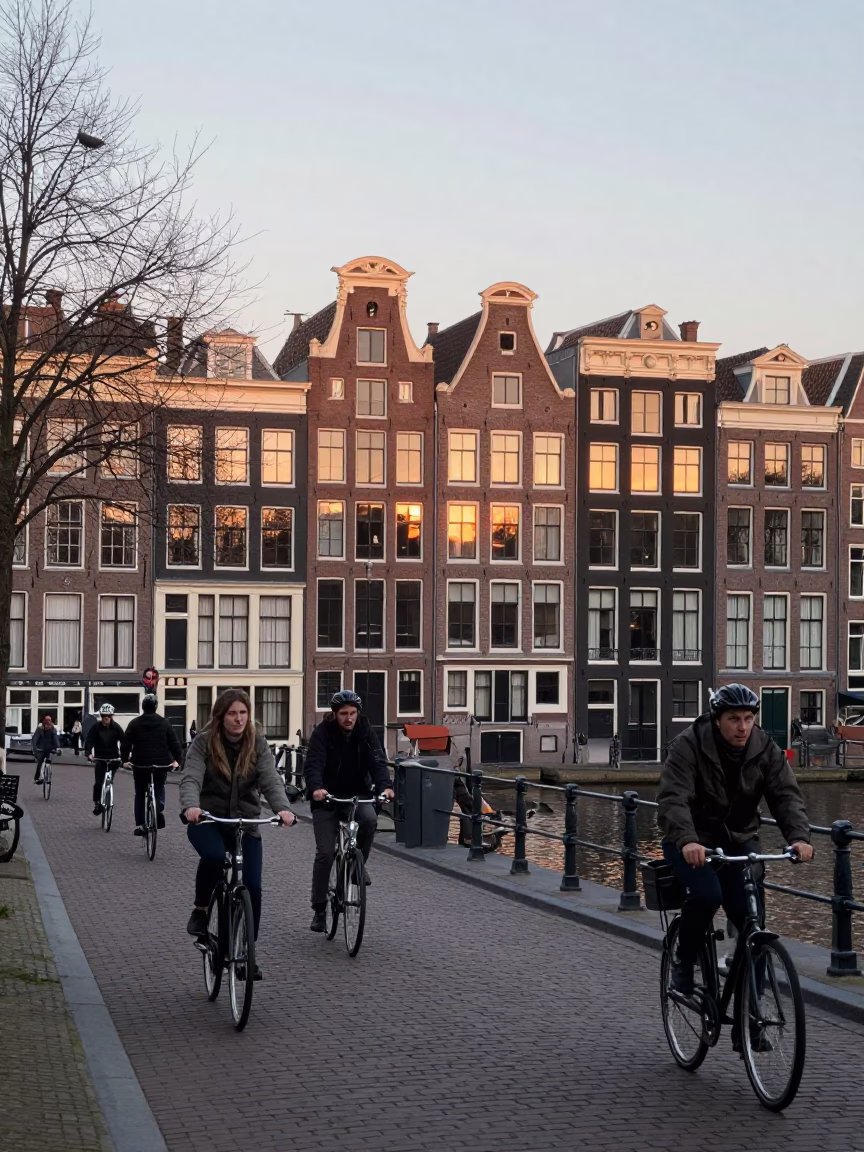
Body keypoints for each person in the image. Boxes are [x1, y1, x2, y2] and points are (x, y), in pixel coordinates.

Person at [657, 683, 814, 1001]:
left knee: (751, 921)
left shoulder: (764, 748)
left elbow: (785, 795)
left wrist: (798, 836)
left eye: (748, 718)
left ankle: (752, 1018)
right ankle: (682, 964)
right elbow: (674, 799)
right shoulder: (688, 745)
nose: (742, 727)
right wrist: (687, 840)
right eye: (733, 719)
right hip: (691, 841)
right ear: (717, 719)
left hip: (740, 839)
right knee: (706, 894)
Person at [180, 689, 296, 978]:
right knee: (215, 856)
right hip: (207, 820)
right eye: (232, 713)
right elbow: (191, 776)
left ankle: (246, 951)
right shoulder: (203, 742)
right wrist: (191, 807)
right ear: (221, 715)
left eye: (243, 713)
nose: (239, 718)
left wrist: (283, 809)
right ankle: (202, 910)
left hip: (245, 824)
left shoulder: (257, 744)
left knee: (253, 887)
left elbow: (270, 779)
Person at [304, 690, 394, 933]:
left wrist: (385, 786)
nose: (349, 718)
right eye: (343, 714)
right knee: (325, 853)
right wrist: (316, 788)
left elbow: (377, 760)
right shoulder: (322, 734)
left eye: (353, 713)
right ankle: (320, 909)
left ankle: (358, 865)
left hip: (357, 795)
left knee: (370, 819)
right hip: (327, 800)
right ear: (334, 715)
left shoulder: (365, 731)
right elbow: (313, 764)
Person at [121, 694, 181, 836]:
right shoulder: (164, 723)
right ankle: (158, 808)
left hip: (140, 764)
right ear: (156, 707)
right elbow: (174, 743)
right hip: (161, 763)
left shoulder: (134, 723)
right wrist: (178, 760)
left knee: (140, 794)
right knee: (159, 786)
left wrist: (124, 759)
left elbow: (126, 744)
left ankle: (141, 825)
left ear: (143, 707)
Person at [85, 703, 125, 816]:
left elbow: (124, 742)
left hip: (114, 758)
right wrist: (89, 754)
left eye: (107, 717)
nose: (105, 719)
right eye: (103, 716)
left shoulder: (117, 728)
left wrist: (125, 756)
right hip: (100, 758)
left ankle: (108, 794)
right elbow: (89, 741)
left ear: (111, 716)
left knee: (109, 780)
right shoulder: (95, 728)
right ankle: (97, 803)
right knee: (98, 782)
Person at [31, 714, 60, 784]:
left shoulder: (53, 729)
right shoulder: (40, 729)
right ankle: (40, 777)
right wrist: (34, 748)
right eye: (46, 722)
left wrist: (57, 748)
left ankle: (47, 774)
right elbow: (35, 739)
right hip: (41, 749)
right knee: (41, 761)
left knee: (47, 760)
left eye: (48, 722)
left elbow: (55, 739)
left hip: (50, 748)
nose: (47, 724)